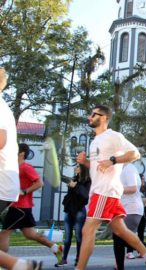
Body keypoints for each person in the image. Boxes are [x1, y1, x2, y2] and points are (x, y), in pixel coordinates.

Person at [75, 105, 146, 270]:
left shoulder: (113, 136)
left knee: (87, 230)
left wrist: (113, 160)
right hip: (102, 191)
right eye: (90, 114)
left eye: (94, 114)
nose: (89, 116)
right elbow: (97, 167)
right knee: (121, 231)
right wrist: (85, 162)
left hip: (105, 191)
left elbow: (135, 153)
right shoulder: (94, 142)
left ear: (104, 117)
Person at [0, 67, 42, 269]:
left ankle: (19, 265)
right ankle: (19, 265)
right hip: (10, 194)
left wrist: (25, 190)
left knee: (11, 233)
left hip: (11, 195)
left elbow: (1, 140)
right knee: (25, 234)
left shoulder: (25, 167)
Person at [0, 143, 64, 265]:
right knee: (30, 234)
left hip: (20, 208)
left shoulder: (26, 167)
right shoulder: (15, 167)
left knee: (4, 234)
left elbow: (40, 183)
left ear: (22, 153)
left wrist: (24, 191)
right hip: (21, 207)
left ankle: (3, 263)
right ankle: (56, 248)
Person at [56, 164, 91, 267]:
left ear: (82, 169)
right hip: (69, 211)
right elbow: (62, 178)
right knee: (67, 238)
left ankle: (79, 259)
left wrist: (75, 186)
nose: (75, 168)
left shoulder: (87, 181)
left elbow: (85, 195)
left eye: (78, 166)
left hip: (79, 211)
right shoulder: (74, 178)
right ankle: (64, 259)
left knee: (79, 237)